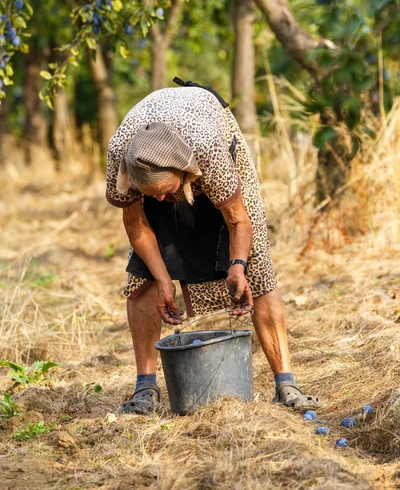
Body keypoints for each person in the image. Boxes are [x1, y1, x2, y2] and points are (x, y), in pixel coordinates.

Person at [106, 77, 319, 414]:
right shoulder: (120, 156)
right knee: (141, 278)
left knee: (259, 267)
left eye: (164, 191)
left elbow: (238, 221)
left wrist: (238, 267)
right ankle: (145, 389)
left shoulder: (209, 150)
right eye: (152, 195)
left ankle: (286, 383)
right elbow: (136, 224)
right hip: (154, 143)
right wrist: (163, 280)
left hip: (209, 135)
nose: (161, 199)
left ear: (185, 172)